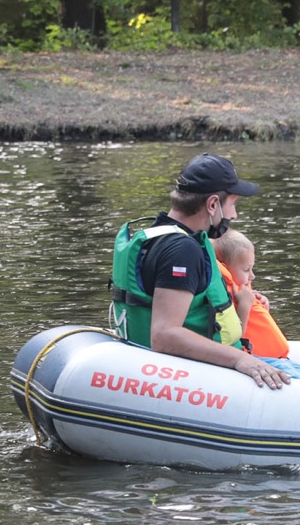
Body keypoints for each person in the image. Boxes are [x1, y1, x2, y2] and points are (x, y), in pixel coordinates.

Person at [109, 153, 289, 389]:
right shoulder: (181, 250)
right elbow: (164, 335)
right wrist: (240, 358)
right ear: (213, 204)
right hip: (203, 378)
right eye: (232, 204)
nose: (234, 215)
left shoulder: (158, 234)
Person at [212, 228, 300, 380]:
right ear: (225, 268)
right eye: (247, 270)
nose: (252, 276)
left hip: (280, 359)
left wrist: (259, 304)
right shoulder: (223, 295)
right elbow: (233, 336)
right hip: (257, 361)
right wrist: (245, 305)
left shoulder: (241, 289)